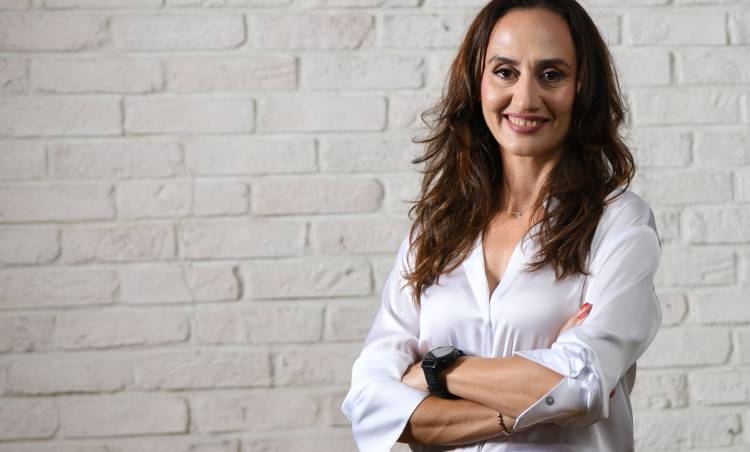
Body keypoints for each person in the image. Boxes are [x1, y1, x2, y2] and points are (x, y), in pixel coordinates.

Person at [341, 0, 663, 451]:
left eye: (551, 74)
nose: (525, 99)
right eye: (505, 72)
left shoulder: (618, 224)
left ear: (583, 89)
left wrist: (437, 371)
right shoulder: (435, 229)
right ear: (478, 84)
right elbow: (370, 402)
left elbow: (583, 386)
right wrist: (533, 401)